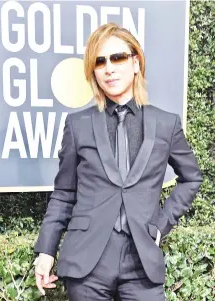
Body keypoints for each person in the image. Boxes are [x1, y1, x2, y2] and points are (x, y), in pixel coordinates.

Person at [34, 23, 202, 301]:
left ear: (135, 62)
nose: (109, 68)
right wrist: (46, 251)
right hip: (87, 264)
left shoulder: (166, 124)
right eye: (100, 62)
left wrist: (161, 224)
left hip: (142, 264)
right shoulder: (78, 125)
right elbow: (64, 194)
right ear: (94, 72)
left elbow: (192, 178)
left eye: (118, 57)